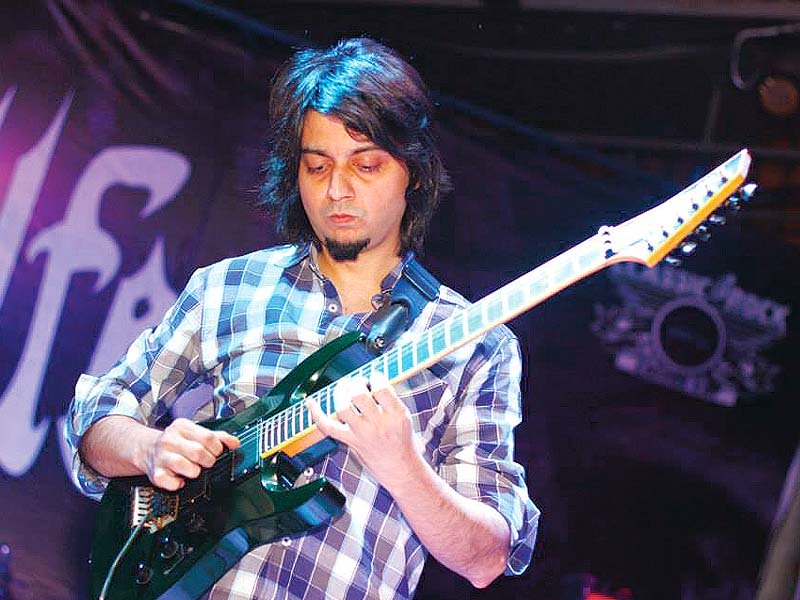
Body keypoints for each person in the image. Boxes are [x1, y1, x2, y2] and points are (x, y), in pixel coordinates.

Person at [66, 37, 539, 599]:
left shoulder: (476, 345)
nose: (337, 190)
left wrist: (404, 465)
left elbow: (487, 557)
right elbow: (96, 414)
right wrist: (149, 449)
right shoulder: (230, 287)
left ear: (411, 172)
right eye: (317, 167)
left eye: (366, 166)